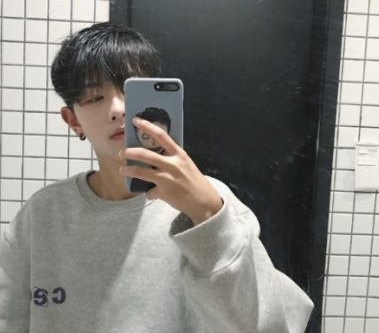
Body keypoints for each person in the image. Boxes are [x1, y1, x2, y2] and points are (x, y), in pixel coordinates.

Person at [0, 22, 313, 332]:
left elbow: (270, 325)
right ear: (73, 121)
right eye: (94, 97)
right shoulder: (43, 215)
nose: (117, 108)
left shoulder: (209, 200)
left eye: (131, 91)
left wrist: (208, 217)